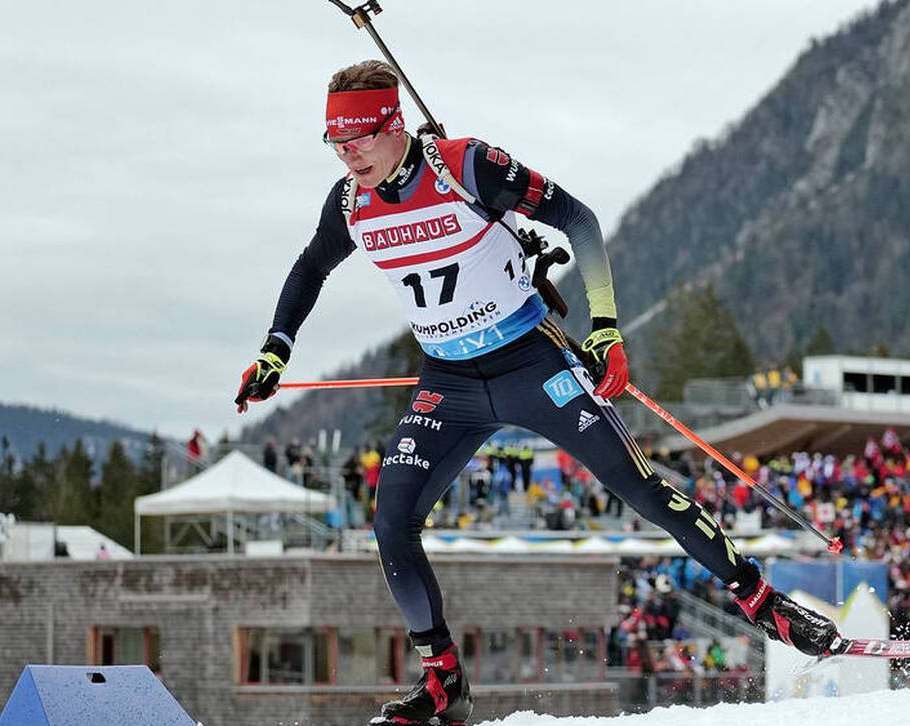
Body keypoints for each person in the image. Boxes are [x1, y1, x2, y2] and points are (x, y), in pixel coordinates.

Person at [233, 60, 840, 726]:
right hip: (449, 383)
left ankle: (762, 602)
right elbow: (310, 266)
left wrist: (605, 326)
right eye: (335, 143)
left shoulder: (464, 166)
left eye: (359, 140)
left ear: (394, 124)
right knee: (391, 523)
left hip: (530, 363)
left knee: (635, 486)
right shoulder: (349, 201)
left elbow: (579, 221)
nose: (349, 156)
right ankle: (443, 684)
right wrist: (275, 348)